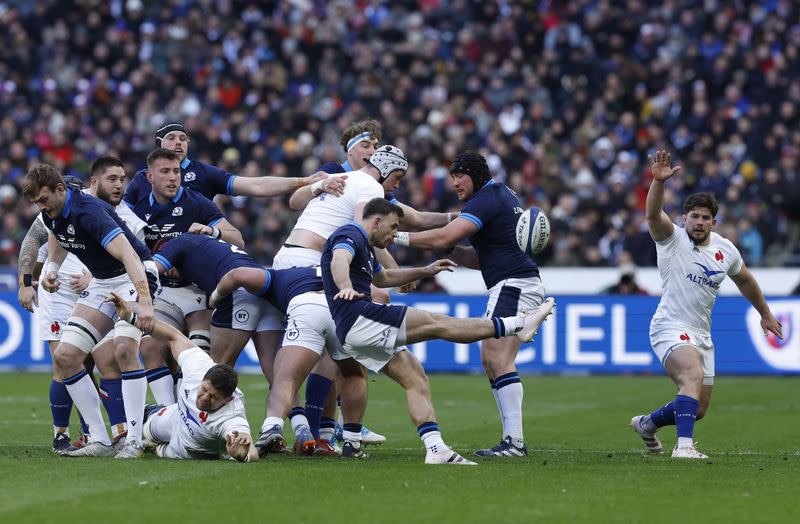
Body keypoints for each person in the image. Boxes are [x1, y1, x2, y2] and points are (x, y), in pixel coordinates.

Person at [321, 198, 554, 464]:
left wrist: (425, 271)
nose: (395, 234)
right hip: (360, 317)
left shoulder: (366, 245)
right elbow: (339, 258)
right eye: (393, 227)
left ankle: (436, 450)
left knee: (416, 378)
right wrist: (344, 285)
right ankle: (518, 324)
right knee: (439, 323)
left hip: (355, 329)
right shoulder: (350, 234)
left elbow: (383, 278)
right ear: (376, 221)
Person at [393, 152, 548, 457]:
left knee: (495, 355)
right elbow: (482, 258)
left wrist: (395, 237)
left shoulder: (487, 197)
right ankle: (512, 440)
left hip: (514, 284)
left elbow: (445, 235)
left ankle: (514, 442)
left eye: (459, 176)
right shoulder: (500, 195)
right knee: (492, 359)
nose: (454, 184)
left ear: (475, 175)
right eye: (451, 177)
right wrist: (454, 251)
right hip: (517, 283)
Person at [629, 150, 783, 459]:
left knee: (697, 408)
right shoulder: (671, 239)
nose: (699, 222)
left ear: (713, 222)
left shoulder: (725, 250)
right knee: (691, 377)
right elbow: (652, 215)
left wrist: (765, 313)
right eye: (694, 216)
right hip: (669, 326)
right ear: (684, 218)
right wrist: (658, 183)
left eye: (705, 218)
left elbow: (746, 281)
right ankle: (684, 447)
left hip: (702, 334)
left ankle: (647, 424)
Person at [22, 164, 158, 458]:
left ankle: (133, 440)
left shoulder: (89, 211)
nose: (42, 207)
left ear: (61, 190)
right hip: (102, 281)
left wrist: (144, 301)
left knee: (123, 349)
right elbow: (58, 237)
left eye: (44, 200)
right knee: (66, 357)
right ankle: (99, 439)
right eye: (37, 203)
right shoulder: (53, 212)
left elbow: (129, 254)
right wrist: (53, 268)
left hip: (134, 276)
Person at [129, 147, 245, 406]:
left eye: (177, 172)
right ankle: (167, 412)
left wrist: (212, 231)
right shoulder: (136, 210)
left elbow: (238, 238)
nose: (173, 177)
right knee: (150, 348)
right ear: (150, 177)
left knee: (197, 353)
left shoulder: (197, 203)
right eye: (165, 172)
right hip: (162, 293)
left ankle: (187, 411)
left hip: (197, 293)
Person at [107, 293, 258, 462]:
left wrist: (243, 456)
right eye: (204, 390)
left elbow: (249, 448)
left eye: (213, 397)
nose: (204, 398)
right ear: (203, 380)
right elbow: (174, 336)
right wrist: (132, 318)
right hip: (176, 417)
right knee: (143, 423)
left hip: (187, 450)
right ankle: (146, 420)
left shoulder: (231, 417)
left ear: (228, 400)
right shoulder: (199, 367)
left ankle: (156, 446)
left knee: (158, 451)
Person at [123, 123, 335, 206]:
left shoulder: (204, 172)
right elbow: (124, 219)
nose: (178, 142)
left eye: (183, 138)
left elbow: (255, 186)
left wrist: (304, 180)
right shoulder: (142, 179)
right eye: (171, 138)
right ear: (158, 144)